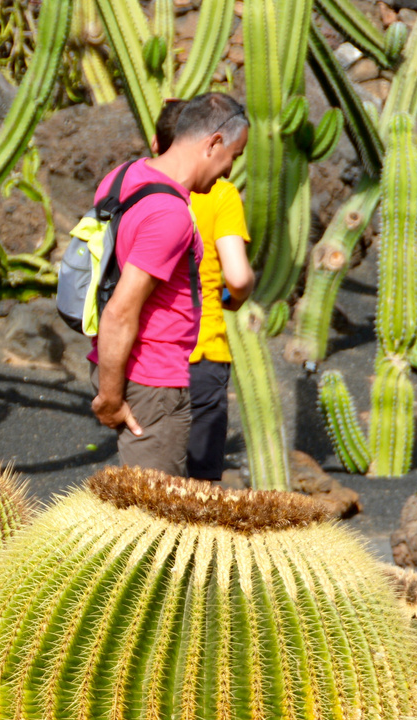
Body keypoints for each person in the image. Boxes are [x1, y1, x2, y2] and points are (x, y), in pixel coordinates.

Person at [89, 93, 249, 476]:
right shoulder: (170, 214)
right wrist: (110, 398)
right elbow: (122, 309)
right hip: (154, 377)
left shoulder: (124, 176)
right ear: (213, 143)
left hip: (118, 361)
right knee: (157, 521)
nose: (229, 171)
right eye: (233, 157)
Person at [154, 99, 256, 481]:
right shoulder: (221, 194)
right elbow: (239, 276)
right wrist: (233, 299)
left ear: (156, 141)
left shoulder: (139, 185)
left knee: (152, 486)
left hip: (152, 358)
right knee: (199, 490)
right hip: (203, 351)